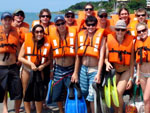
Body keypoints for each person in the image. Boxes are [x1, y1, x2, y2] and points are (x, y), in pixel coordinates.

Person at [72, 16, 106, 113]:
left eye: (93, 25)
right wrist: (75, 73)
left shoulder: (102, 38)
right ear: (85, 25)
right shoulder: (80, 36)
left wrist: (99, 74)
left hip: (94, 70)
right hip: (83, 69)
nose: (91, 27)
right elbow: (78, 56)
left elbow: (101, 58)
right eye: (89, 25)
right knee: (84, 93)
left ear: (96, 25)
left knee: (92, 96)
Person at [18, 24, 51, 113]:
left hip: (39, 71)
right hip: (27, 70)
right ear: (33, 33)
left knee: (39, 93)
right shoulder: (27, 42)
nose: (39, 34)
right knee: (26, 92)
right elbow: (20, 57)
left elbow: (49, 60)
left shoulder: (46, 43)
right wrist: (31, 64)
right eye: (37, 32)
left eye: (41, 32)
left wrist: (43, 66)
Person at [105, 20, 134, 113]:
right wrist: (106, 63)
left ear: (125, 31)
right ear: (115, 30)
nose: (120, 32)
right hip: (115, 70)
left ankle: (120, 111)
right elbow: (105, 58)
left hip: (126, 71)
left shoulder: (131, 42)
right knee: (110, 94)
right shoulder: (109, 40)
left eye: (122, 30)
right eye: (118, 30)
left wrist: (131, 79)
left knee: (117, 93)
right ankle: (116, 111)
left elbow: (132, 63)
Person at [50, 16, 77, 113]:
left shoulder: (73, 35)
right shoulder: (52, 37)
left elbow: (77, 55)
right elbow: (50, 55)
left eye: (62, 23)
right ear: (55, 25)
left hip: (70, 68)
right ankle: (61, 110)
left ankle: (69, 109)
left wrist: (76, 72)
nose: (61, 26)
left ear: (66, 23)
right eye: (58, 24)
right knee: (58, 93)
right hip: (58, 68)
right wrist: (51, 70)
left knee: (71, 92)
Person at [0, 12, 22, 113]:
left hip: (13, 66)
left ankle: (17, 110)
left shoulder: (15, 32)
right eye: (5, 19)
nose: (7, 21)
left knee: (17, 89)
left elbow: (18, 48)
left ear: (12, 21)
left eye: (9, 19)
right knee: (3, 88)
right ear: (2, 21)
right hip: (1, 67)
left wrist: (20, 59)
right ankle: (5, 107)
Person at [135, 23, 150, 113]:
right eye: (139, 31)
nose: (142, 32)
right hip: (142, 75)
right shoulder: (137, 43)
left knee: (146, 99)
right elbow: (138, 61)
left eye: (143, 30)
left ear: (147, 30)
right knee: (147, 100)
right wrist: (137, 76)